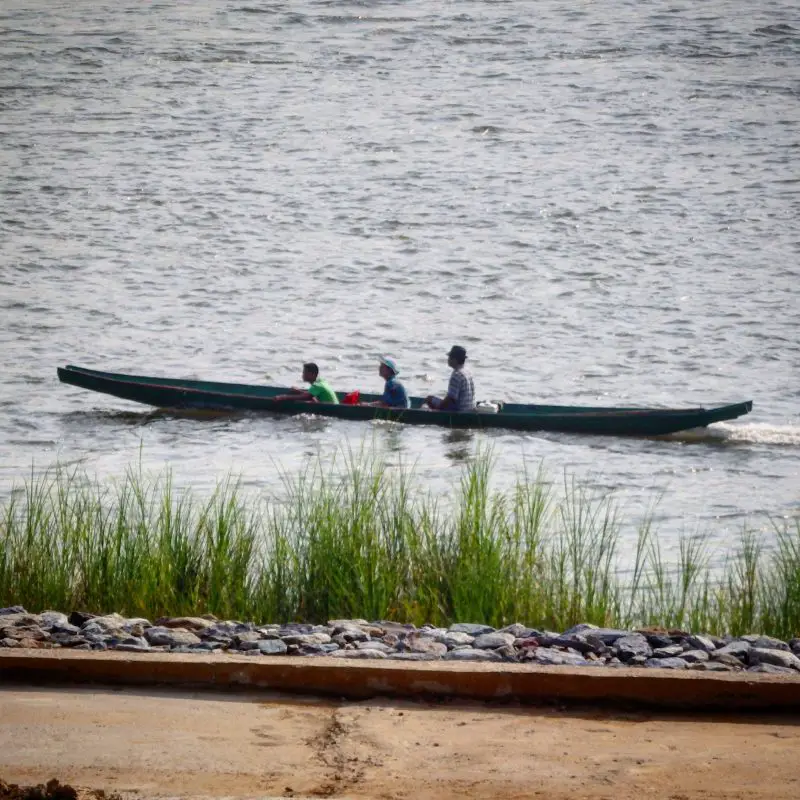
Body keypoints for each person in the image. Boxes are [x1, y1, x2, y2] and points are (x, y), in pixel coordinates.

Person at [425, 345, 475, 412]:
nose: (448, 359)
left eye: (449, 357)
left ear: (454, 360)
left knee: (429, 399)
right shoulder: (467, 371)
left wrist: (438, 409)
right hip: (469, 408)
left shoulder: (457, 374)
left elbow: (451, 398)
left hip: (459, 410)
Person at [273, 362, 339, 404]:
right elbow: (310, 395)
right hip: (331, 405)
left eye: (304, 372)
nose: (302, 374)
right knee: (299, 393)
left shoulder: (317, 385)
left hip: (332, 408)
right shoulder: (321, 381)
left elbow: (306, 397)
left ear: (312, 374)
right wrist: (298, 391)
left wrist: (284, 397)